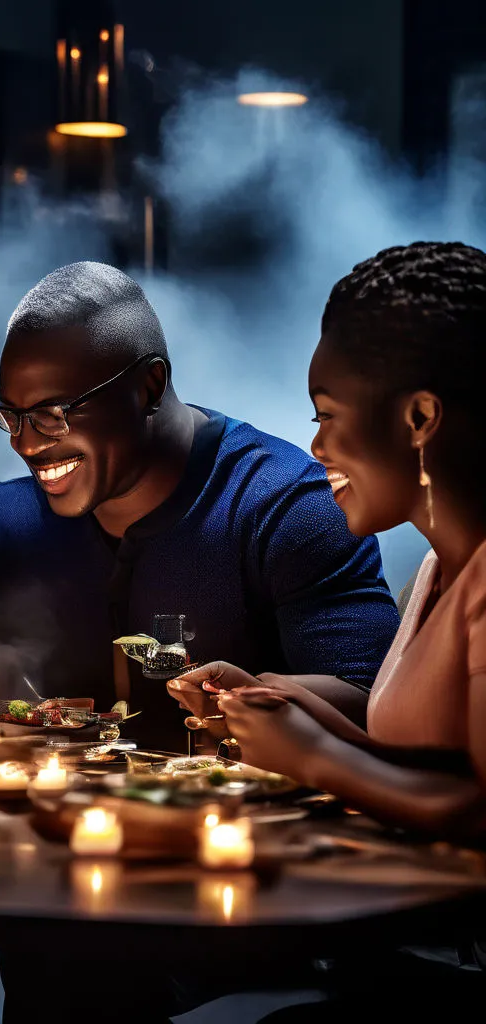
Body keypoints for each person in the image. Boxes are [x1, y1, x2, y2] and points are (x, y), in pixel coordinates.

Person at [0, 261, 400, 751]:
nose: (24, 445)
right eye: (11, 417)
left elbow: (374, 706)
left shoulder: (286, 504)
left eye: (52, 414)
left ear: (148, 388)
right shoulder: (10, 521)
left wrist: (253, 698)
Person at [173, 241, 486, 835]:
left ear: (419, 419)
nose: (316, 449)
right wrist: (279, 703)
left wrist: (313, 758)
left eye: (328, 416)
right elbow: (425, 761)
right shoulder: (435, 571)